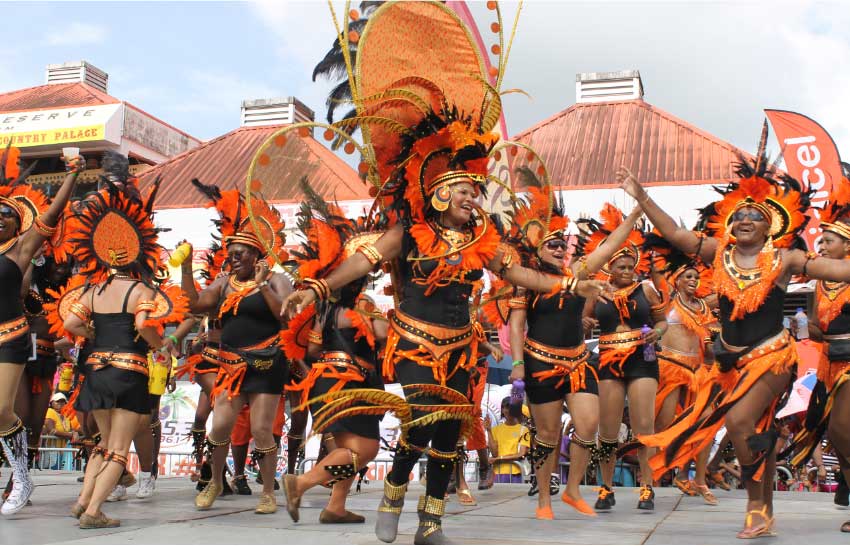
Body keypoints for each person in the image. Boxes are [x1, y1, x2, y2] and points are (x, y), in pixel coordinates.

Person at [622, 135, 850, 538]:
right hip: (728, 362)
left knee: (738, 419)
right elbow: (676, 235)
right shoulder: (717, 253)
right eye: (740, 214)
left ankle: (754, 504)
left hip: (772, 357)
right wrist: (642, 198)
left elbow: (840, 271)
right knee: (751, 433)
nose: (745, 219)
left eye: (755, 215)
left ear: (770, 226)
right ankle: (765, 503)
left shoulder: (785, 260)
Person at [506, 185, 643, 519]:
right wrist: (518, 364)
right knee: (548, 435)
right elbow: (516, 324)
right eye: (550, 244)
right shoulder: (528, 280)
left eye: (560, 243)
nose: (557, 248)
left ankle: (572, 489)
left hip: (580, 361)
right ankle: (543, 501)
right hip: (541, 362)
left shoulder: (578, 271)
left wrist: (638, 213)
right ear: (537, 249)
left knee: (588, 426)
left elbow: (610, 244)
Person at [62, 179, 172, 528]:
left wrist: (94, 333)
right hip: (128, 373)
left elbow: (70, 322)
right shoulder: (140, 289)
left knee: (103, 443)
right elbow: (143, 325)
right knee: (119, 449)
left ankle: (82, 502)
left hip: (96, 371)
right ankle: (94, 511)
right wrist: (161, 346)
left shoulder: (93, 290)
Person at [282, 185, 394, 524]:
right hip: (352, 384)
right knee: (366, 449)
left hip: (323, 385)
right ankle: (300, 483)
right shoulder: (363, 305)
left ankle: (336, 507)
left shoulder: (323, 313)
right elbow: (381, 336)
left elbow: (313, 349)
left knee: (347, 447)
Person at [181, 185, 291, 515]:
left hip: (267, 364)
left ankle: (269, 492)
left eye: (241, 252)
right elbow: (196, 305)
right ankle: (215, 481)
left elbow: (285, 314)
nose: (233, 257)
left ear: (257, 255)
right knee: (220, 426)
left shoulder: (276, 280)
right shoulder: (223, 281)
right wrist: (186, 269)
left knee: (261, 429)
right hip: (230, 364)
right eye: (232, 252)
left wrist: (260, 286)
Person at [0, 146, 83, 515]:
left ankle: (21, 474)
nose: (0, 219)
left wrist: (73, 174)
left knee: (2, 410)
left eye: (6, 215)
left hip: (10, 336)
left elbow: (52, 214)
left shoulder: (20, 251)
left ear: (19, 224)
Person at [580, 203, 665, 511]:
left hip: (642, 359)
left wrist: (659, 332)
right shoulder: (597, 292)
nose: (628, 272)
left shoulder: (647, 290)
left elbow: (663, 321)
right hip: (607, 360)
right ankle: (605, 488)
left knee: (644, 426)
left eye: (631, 267)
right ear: (610, 269)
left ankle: (647, 487)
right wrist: (584, 322)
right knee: (608, 428)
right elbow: (583, 319)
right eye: (622, 267)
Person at [778, 175, 850, 533]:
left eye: (828, 240)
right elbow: (823, 330)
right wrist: (804, 329)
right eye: (820, 240)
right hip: (829, 363)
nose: (821, 245)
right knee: (835, 436)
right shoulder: (820, 283)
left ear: (846, 246)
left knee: (841, 429)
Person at [645, 235, 720, 505]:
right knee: (663, 425)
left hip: (698, 371)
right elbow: (655, 273)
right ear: (675, 279)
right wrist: (663, 247)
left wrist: (715, 346)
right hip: (670, 368)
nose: (692, 280)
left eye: (695, 277)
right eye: (687, 276)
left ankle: (697, 478)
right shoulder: (667, 302)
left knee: (705, 423)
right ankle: (650, 481)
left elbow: (710, 342)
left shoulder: (703, 308)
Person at [489, 397, 530, 483]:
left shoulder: (524, 430)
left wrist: (499, 459)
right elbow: (494, 453)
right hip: (498, 473)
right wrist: (488, 430)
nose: (505, 410)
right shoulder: (495, 430)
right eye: (503, 407)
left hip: (516, 472)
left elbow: (521, 453)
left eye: (508, 407)